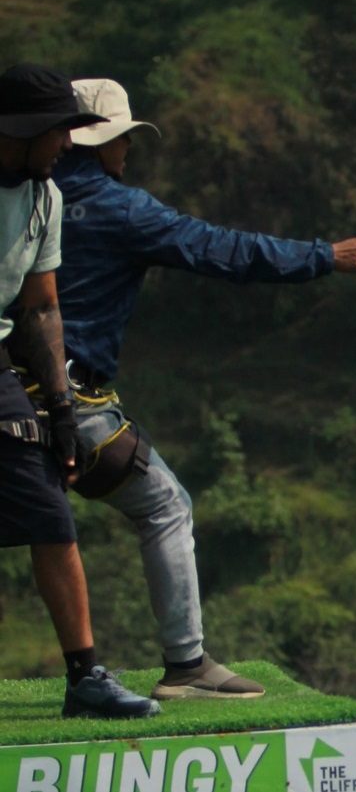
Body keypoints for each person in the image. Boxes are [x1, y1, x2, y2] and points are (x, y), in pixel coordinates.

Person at [41, 77, 356, 699]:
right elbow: (222, 250)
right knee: (165, 505)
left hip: (6, 394)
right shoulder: (121, 209)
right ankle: (187, 665)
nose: (128, 152)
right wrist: (325, 256)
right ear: (101, 143)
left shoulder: (21, 198)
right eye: (124, 139)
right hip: (71, 403)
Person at [0, 63, 160, 718]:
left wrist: (61, 411)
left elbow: (40, 308)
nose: (69, 145)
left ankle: (84, 677)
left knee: (47, 500)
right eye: (61, 132)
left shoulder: (45, 197)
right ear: (25, 129)